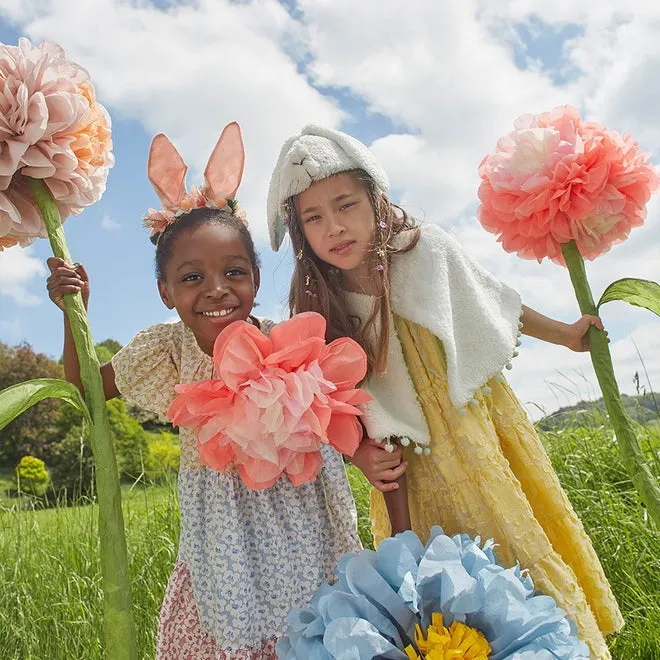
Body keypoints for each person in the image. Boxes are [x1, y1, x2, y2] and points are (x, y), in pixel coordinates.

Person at [265, 124, 624, 658]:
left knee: (510, 534)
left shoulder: (424, 251)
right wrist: (359, 452)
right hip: (413, 464)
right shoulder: (319, 305)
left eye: (346, 205)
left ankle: (554, 645)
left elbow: (494, 303)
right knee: (432, 575)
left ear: (375, 200)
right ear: (298, 231)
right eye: (313, 218)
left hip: (477, 435)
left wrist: (567, 336)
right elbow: (328, 404)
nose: (334, 227)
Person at [46, 123, 360, 659]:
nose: (216, 288)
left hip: (304, 523)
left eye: (233, 271)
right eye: (192, 278)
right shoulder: (168, 352)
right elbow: (83, 389)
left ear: (256, 282)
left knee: (318, 632)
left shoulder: (287, 343)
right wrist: (75, 314)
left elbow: (336, 420)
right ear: (165, 292)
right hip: (224, 535)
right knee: (231, 633)